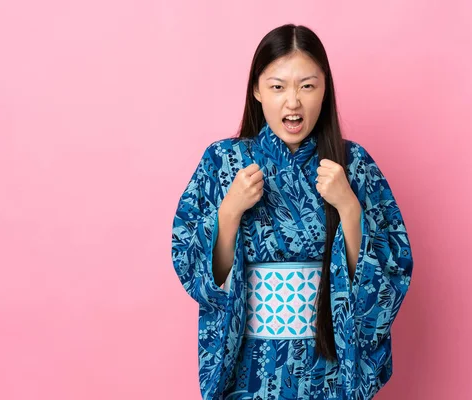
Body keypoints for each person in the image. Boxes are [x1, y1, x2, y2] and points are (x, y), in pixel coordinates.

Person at [171, 23, 414, 400]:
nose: (293, 102)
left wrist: (349, 207)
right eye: (278, 86)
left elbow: (390, 275)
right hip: (250, 368)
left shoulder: (355, 165)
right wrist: (229, 212)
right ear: (256, 90)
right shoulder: (222, 162)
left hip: (327, 364)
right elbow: (195, 271)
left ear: (325, 88)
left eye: (307, 85)